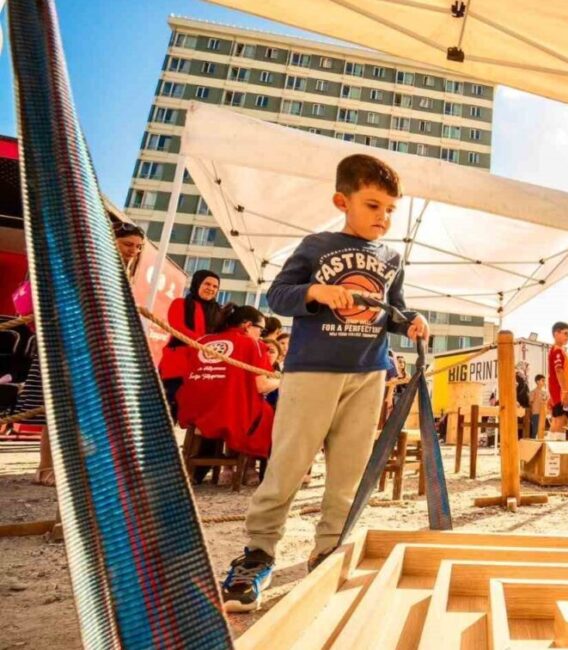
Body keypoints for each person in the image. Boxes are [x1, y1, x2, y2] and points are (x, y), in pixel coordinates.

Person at [220, 154, 428, 612]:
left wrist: (411, 320)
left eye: (391, 209)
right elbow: (277, 295)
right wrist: (314, 291)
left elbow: (391, 310)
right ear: (342, 200)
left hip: (369, 374)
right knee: (289, 465)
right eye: (373, 206)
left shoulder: (392, 258)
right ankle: (258, 554)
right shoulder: (316, 245)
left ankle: (330, 551)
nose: (384, 217)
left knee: (349, 472)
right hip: (311, 372)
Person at [176, 305, 279, 484]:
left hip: (193, 410)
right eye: (260, 330)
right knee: (269, 413)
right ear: (247, 325)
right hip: (229, 412)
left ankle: (212, 469)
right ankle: (248, 469)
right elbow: (261, 386)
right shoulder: (252, 344)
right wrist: (282, 380)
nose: (261, 335)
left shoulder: (203, 340)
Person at [158, 270, 222, 419]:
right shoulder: (180, 303)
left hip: (203, 368)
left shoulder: (219, 312)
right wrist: (206, 343)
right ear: (197, 283)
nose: (211, 288)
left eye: (215, 286)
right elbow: (177, 327)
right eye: (207, 284)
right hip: (177, 365)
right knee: (165, 409)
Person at [547, 322, 568, 435]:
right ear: (556, 333)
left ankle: (550, 450)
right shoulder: (557, 350)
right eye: (565, 333)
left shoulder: (558, 350)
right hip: (562, 393)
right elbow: (559, 371)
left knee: (557, 421)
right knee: (561, 421)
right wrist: (565, 390)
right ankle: (556, 451)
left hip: (560, 393)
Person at [529, 374, 549, 438]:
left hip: (544, 413)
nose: (544, 382)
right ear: (537, 381)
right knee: (535, 430)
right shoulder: (533, 392)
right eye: (542, 380)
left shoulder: (545, 392)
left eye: (544, 380)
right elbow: (530, 402)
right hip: (536, 413)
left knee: (542, 430)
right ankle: (533, 444)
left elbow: (547, 402)